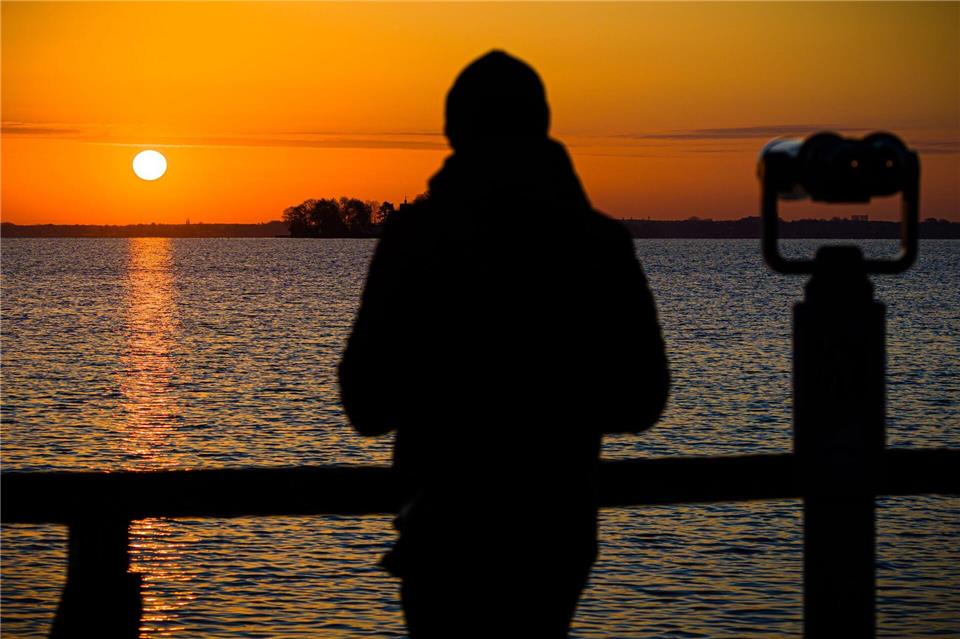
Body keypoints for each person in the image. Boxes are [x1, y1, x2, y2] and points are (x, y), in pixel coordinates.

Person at [338, 50, 669, 638]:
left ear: (454, 133)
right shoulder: (599, 243)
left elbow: (365, 403)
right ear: (541, 127)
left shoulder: (416, 240)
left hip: (443, 535)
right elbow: (643, 399)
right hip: (554, 536)